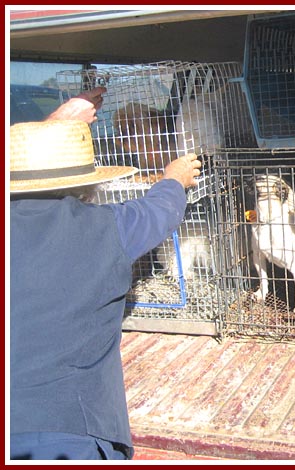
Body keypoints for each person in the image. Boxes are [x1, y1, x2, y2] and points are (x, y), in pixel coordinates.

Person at [9, 90, 202, 460]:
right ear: (87, 183)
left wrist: (54, 128)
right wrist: (174, 178)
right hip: (73, 429)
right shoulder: (106, 227)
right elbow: (160, 210)